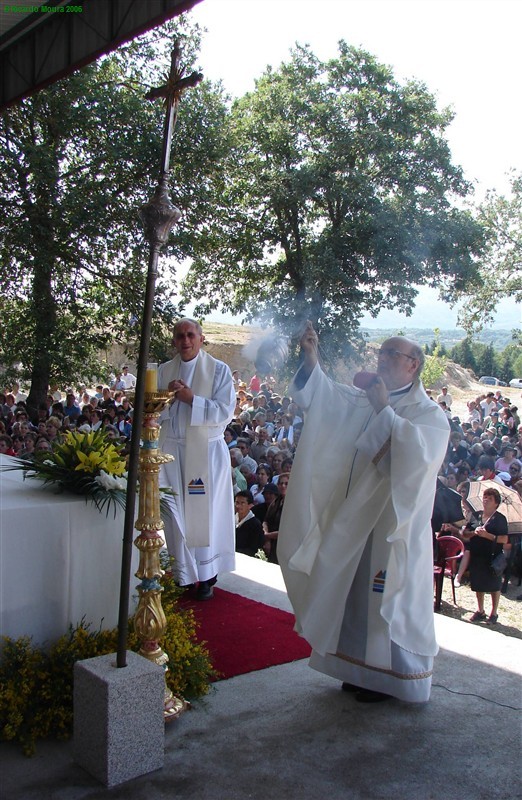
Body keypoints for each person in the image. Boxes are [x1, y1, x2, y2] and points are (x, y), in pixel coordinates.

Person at [278, 322, 450, 703]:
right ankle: (356, 668)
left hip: (392, 525)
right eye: (381, 353)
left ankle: (389, 678)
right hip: (354, 520)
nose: (384, 360)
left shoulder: (428, 413)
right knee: (352, 594)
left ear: (414, 365)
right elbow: (324, 398)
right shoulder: (365, 397)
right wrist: (311, 360)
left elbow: (416, 463)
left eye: (394, 354)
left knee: (384, 598)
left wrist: (385, 411)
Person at [158, 318, 236, 600]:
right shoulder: (165, 370)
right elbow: (152, 411)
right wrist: (166, 396)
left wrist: (192, 399)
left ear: (201, 339)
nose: (185, 340)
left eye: (191, 335)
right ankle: (182, 572)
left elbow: (225, 412)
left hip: (204, 452)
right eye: (179, 336)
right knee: (175, 514)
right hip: (171, 452)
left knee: (204, 516)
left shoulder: (218, 371)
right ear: (174, 341)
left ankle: (206, 576)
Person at [467, 487, 508, 624]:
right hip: (477, 554)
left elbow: (504, 539)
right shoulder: (476, 515)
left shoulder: (500, 519)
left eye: (490, 498)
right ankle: (480, 610)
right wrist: (474, 532)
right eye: (485, 497)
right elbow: (465, 533)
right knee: (478, 583)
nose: (486, 500)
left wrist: (487, 535)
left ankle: (494, 613)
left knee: (494, 585)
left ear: (496, 503)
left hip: (492, 556)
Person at [235, 490, 265, 557]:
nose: (238, 506)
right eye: (237, 502)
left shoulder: (255, 525)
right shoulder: (231, 520)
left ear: (250, 505)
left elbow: (254, 549)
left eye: (242, 503)